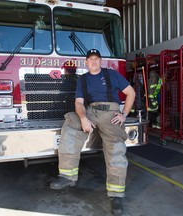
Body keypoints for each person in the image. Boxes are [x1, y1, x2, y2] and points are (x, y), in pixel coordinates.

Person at [50, 49, 136, 215]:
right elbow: (79, 102)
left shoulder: (112, 74)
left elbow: (130, 93)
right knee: (71, 123)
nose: (94, 62)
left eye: (97, 59)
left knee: (115, 148)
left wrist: (124, 114)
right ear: (86, 63)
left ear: (100, 61)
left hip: (111, 113)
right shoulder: (83, 79)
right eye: (91, 60)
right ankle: (67, 175)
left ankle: (116, 195)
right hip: (90, 111)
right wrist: (83, 118)